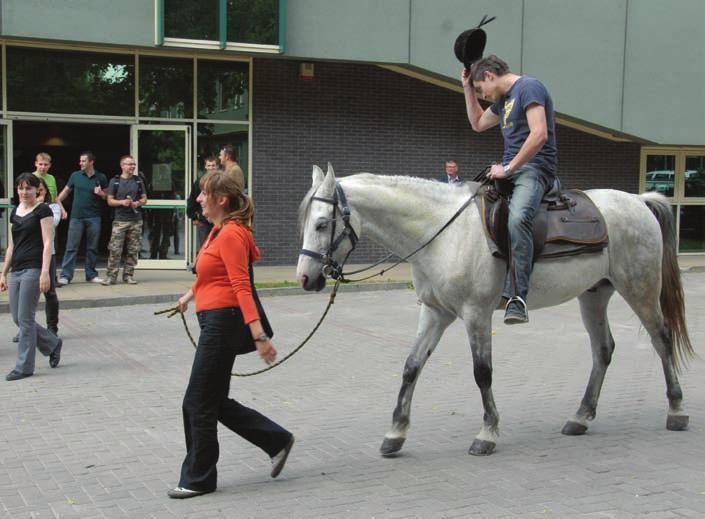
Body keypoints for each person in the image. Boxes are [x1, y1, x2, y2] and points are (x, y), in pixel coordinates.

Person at [169, 170, 294, 499]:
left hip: (225, 323)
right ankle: (276, 440)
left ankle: (199, 478)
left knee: (196, 402)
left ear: (221, 200)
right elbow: (211, 273)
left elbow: (241, 286)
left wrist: (259, 335)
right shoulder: (217, 232)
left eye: (203, 194)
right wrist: (189, 295)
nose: (198, 199)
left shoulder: (232, 235)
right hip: (214, 320)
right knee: (213, 401)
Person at [461, 55, 558, 325]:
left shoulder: (529, 88)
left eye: (481, 88)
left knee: (517, 218)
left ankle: (517, 296)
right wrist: (468, 88)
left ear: (490, 75)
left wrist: (508, 168)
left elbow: (539, 134)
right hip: (512, 170)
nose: (483, 95)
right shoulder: (504, 100)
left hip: (536, 170)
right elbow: (478, 123)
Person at [1, 173, 63, 381]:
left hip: (34, 268)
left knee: (26, 320)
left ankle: (24, 367)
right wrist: (3, 272)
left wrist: (45, 272)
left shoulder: (42, 210)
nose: (24, 192)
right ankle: (52, 343)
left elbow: (47, 243)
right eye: (20, 188)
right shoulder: (15, 212)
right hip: (17, 268)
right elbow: (11, 246)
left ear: (37, 190)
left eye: (28, 188)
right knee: (18, 318)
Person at [56, 151, 108, 285]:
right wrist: (55, 202)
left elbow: (108, 197)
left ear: (91, 162)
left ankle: (91, 275)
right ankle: (66, 275)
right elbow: (66, 192)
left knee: (92, 247)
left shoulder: (101, 177)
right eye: (80, 161)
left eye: (83, 161)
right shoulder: (75, 175)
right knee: (71, 247)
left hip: (94, 217)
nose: (81, 163)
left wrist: (101, 193)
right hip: (76, 217)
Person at [102, 155, 147, 285]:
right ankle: (111, 276)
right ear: (122, 166)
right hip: (120, 220)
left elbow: (144, 199)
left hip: (136, 220)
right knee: (115, 249)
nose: (132, 167)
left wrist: (137, 203)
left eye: (133, 164)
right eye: (129, 164)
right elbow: (109, 201)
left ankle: (128, 275)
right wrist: (122, 202)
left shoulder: (138, 181)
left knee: (133, 250)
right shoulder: (115, 181)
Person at [186, 156, 217, 251]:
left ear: (217, 166)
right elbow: (192, 199)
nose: (211, 168)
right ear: (205, 167)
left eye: (213, 165)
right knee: (204, 247)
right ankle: (202, 266)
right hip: (203, 221)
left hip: (217, 220)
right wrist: (193, 217)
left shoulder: (220, 181)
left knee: (217, 246)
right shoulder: (199, 182)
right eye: (209, 165)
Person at [32, 152, 67, 220]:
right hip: (36, 211)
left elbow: (55, 197)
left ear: (50, 165)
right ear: (36, 163)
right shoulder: (31, 177)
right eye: (40, 164)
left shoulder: (51, 178)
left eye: (46, 164)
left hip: (52, 210)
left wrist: (62, 210)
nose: (43, 167)